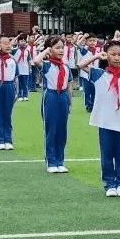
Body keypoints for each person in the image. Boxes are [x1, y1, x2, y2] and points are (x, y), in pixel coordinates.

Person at [80, 40, 120, 197]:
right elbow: (81, 65)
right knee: (107, 154)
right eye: (113, 54)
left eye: (119, 54)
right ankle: (109, 184)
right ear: (107, 56)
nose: (117, 58)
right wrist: (98, 55)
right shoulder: (100, 75)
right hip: (105, 121)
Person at [34, 36, 71, 172]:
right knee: (52, 129)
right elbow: (36, 61)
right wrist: (46, 51)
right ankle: (51, 161)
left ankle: (60, 160)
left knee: (62, 130)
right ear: (50, 50)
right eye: (57, 48)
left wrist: (69, 102)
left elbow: (69, 85)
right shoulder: (48, 65)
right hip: (51, 96)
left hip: (63, 97)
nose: (61, 50)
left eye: (62, 47)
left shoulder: (66, 67)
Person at [0, 35, 18, 150]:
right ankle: (0, 139)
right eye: (5, 43)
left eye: (9, 43)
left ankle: (8, 139)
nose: (8, 45)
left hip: (9, 85)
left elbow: (16, 77)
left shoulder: (12, 60)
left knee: (7, 113)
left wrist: (16, 92)